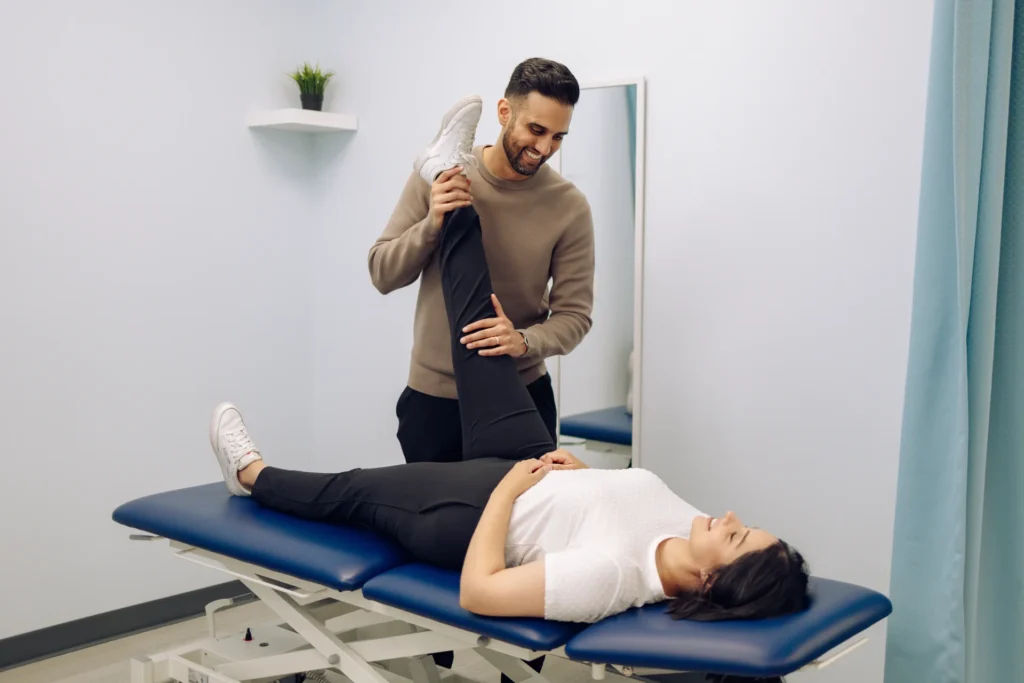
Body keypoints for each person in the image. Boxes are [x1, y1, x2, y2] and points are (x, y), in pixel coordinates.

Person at [209, 193, 811, 628]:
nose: (727, 516)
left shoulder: (612, 579)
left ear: (710, 581)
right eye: (742, 523)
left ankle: (249, 476)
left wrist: (503, 493)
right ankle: (451, 184)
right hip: (537, 467)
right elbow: (611, 507)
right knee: (482, 329)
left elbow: (480, 591)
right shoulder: (691, 526)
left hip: (477, 507)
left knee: (354, 490)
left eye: (734, 535)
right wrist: (583, 476)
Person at [368, 57, 596, 465]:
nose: (544, 149)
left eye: (559, 137)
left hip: (520, 392)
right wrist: (432, 223)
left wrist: (523, 341)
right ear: (504, 112)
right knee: (439, 527)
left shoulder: (569, 207)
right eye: (536, 130)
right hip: (433, 401)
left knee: (522, 526)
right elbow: (382, 272)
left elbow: (575, 316)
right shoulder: (443, 180)